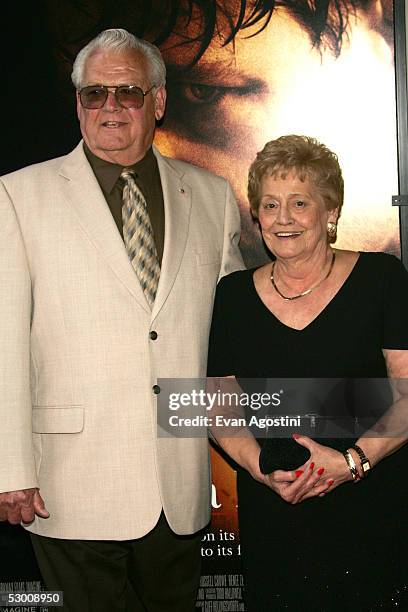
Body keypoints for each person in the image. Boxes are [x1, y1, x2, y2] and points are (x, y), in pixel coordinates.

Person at [0, 28, 243, 612]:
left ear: (157, 102)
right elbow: (5, 340)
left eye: (128, 92)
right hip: (66, 487)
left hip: (179, 483)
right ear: (77, 102)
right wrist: (10, 465)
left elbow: (231, 335)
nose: (110, 107)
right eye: (93, 94)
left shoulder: (212, 197)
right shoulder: (18, 195)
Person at [207, 135, 408, 610]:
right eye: (270, 204)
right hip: (276, 506)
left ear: (330, 211)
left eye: (300, 203)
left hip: (369, 502)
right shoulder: (233, 295)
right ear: (255, 216)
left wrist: (352, 463)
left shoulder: (381, 280)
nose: (284, 218)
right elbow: (218, 398)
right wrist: (259, 470)